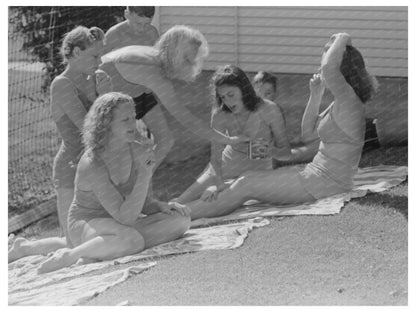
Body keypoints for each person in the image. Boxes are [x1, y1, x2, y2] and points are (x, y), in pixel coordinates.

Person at [181, 33, 378, 220]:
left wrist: (342, 38)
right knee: (247, 178)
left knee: (246, 184)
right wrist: (315, 96)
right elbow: (308, 135)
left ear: (341, 71)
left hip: (326, 183)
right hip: (317, 174)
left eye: (322, 62)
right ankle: (180, 209)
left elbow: (328, 69)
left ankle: (182, 214)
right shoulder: (341, 103)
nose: (320, 70)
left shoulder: (349, 100)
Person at [11, 93, 191, 273]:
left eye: (133, 117)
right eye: (125, 120)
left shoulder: (137, 150)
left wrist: (161, 206)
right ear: (106, 124)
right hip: (87, 222)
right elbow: (126, 217)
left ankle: (32, 248)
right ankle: (71, 255)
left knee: (180, 220)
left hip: (118, 224)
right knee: (133, 240)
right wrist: (145, 174)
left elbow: (141, 203)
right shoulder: (92, 163)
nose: (133, 123)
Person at [8, 26, 105, 263]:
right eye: (94, 55)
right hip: (71, 167)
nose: (100, 60)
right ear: (76, 52)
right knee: (75, 245)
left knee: (91, 241)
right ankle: (24, 248)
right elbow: (87, 127)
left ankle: (23, 246)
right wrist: (101, 96)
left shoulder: (95, 79)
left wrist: (104, 91)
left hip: (94, 164)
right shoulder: (61, 84)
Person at [96, 25, 249, 172]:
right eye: (189, 60)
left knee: (165, 140)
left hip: (131, 91)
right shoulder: (152, 71)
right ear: (176, 54)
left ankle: (141, 185)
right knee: (128, 146)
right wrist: (227, 140)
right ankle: (134, 186)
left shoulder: (156, 58)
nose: (193, 65)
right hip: (100, 91)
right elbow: (187, 119)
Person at [175, 65, 291, 204]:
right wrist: (218, 184)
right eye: (223, 97)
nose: (228, 102)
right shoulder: (220, 113)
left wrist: (266, 150)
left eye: (231, 95)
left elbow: (286, 154)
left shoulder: (269, 109)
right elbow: (215, 158)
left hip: (258, 173)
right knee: (180, 202)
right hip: (225, 168)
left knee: (217, 203)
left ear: (244, 89)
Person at [103, 6, 160, 140]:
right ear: (126, 14)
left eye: (147, 23)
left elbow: (156, 62)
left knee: (166, 140)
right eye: (138, 23)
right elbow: (99, 65)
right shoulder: (114, 35)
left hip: (144, 95)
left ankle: (149, 160)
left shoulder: (152, 33)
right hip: (120, 99)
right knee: (130, 143)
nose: (142, 29)